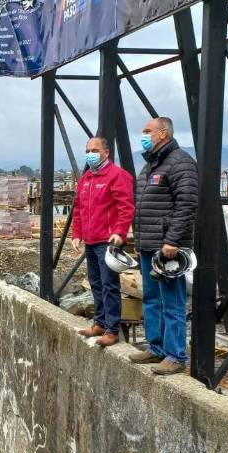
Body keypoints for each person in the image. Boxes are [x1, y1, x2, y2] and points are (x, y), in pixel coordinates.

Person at [129, 117, 198, 375]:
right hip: (148, 245)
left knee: (172, 301)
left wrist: (173, 241)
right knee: (151, 299)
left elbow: (187, 204)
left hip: (167, 248)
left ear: (163, 133)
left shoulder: (181, 163)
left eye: (147, 131)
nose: (144, 135)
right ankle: (156, 348)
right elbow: (141, 206)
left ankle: (175, 355)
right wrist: (138, 240)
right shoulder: (149, 166)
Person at [71, 136, 135, 347]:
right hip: (90, 241)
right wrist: (76, 234)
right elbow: (79, 210)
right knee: (95, 283)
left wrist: (120, 232)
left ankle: (112, 329)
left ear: (106, 153)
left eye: (95, 150)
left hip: (107, 242)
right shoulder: (86, 178)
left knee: (109, 285)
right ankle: (99, 322)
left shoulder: (117, 176)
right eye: (88, 150)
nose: (90, 154)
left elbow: (126, 208)